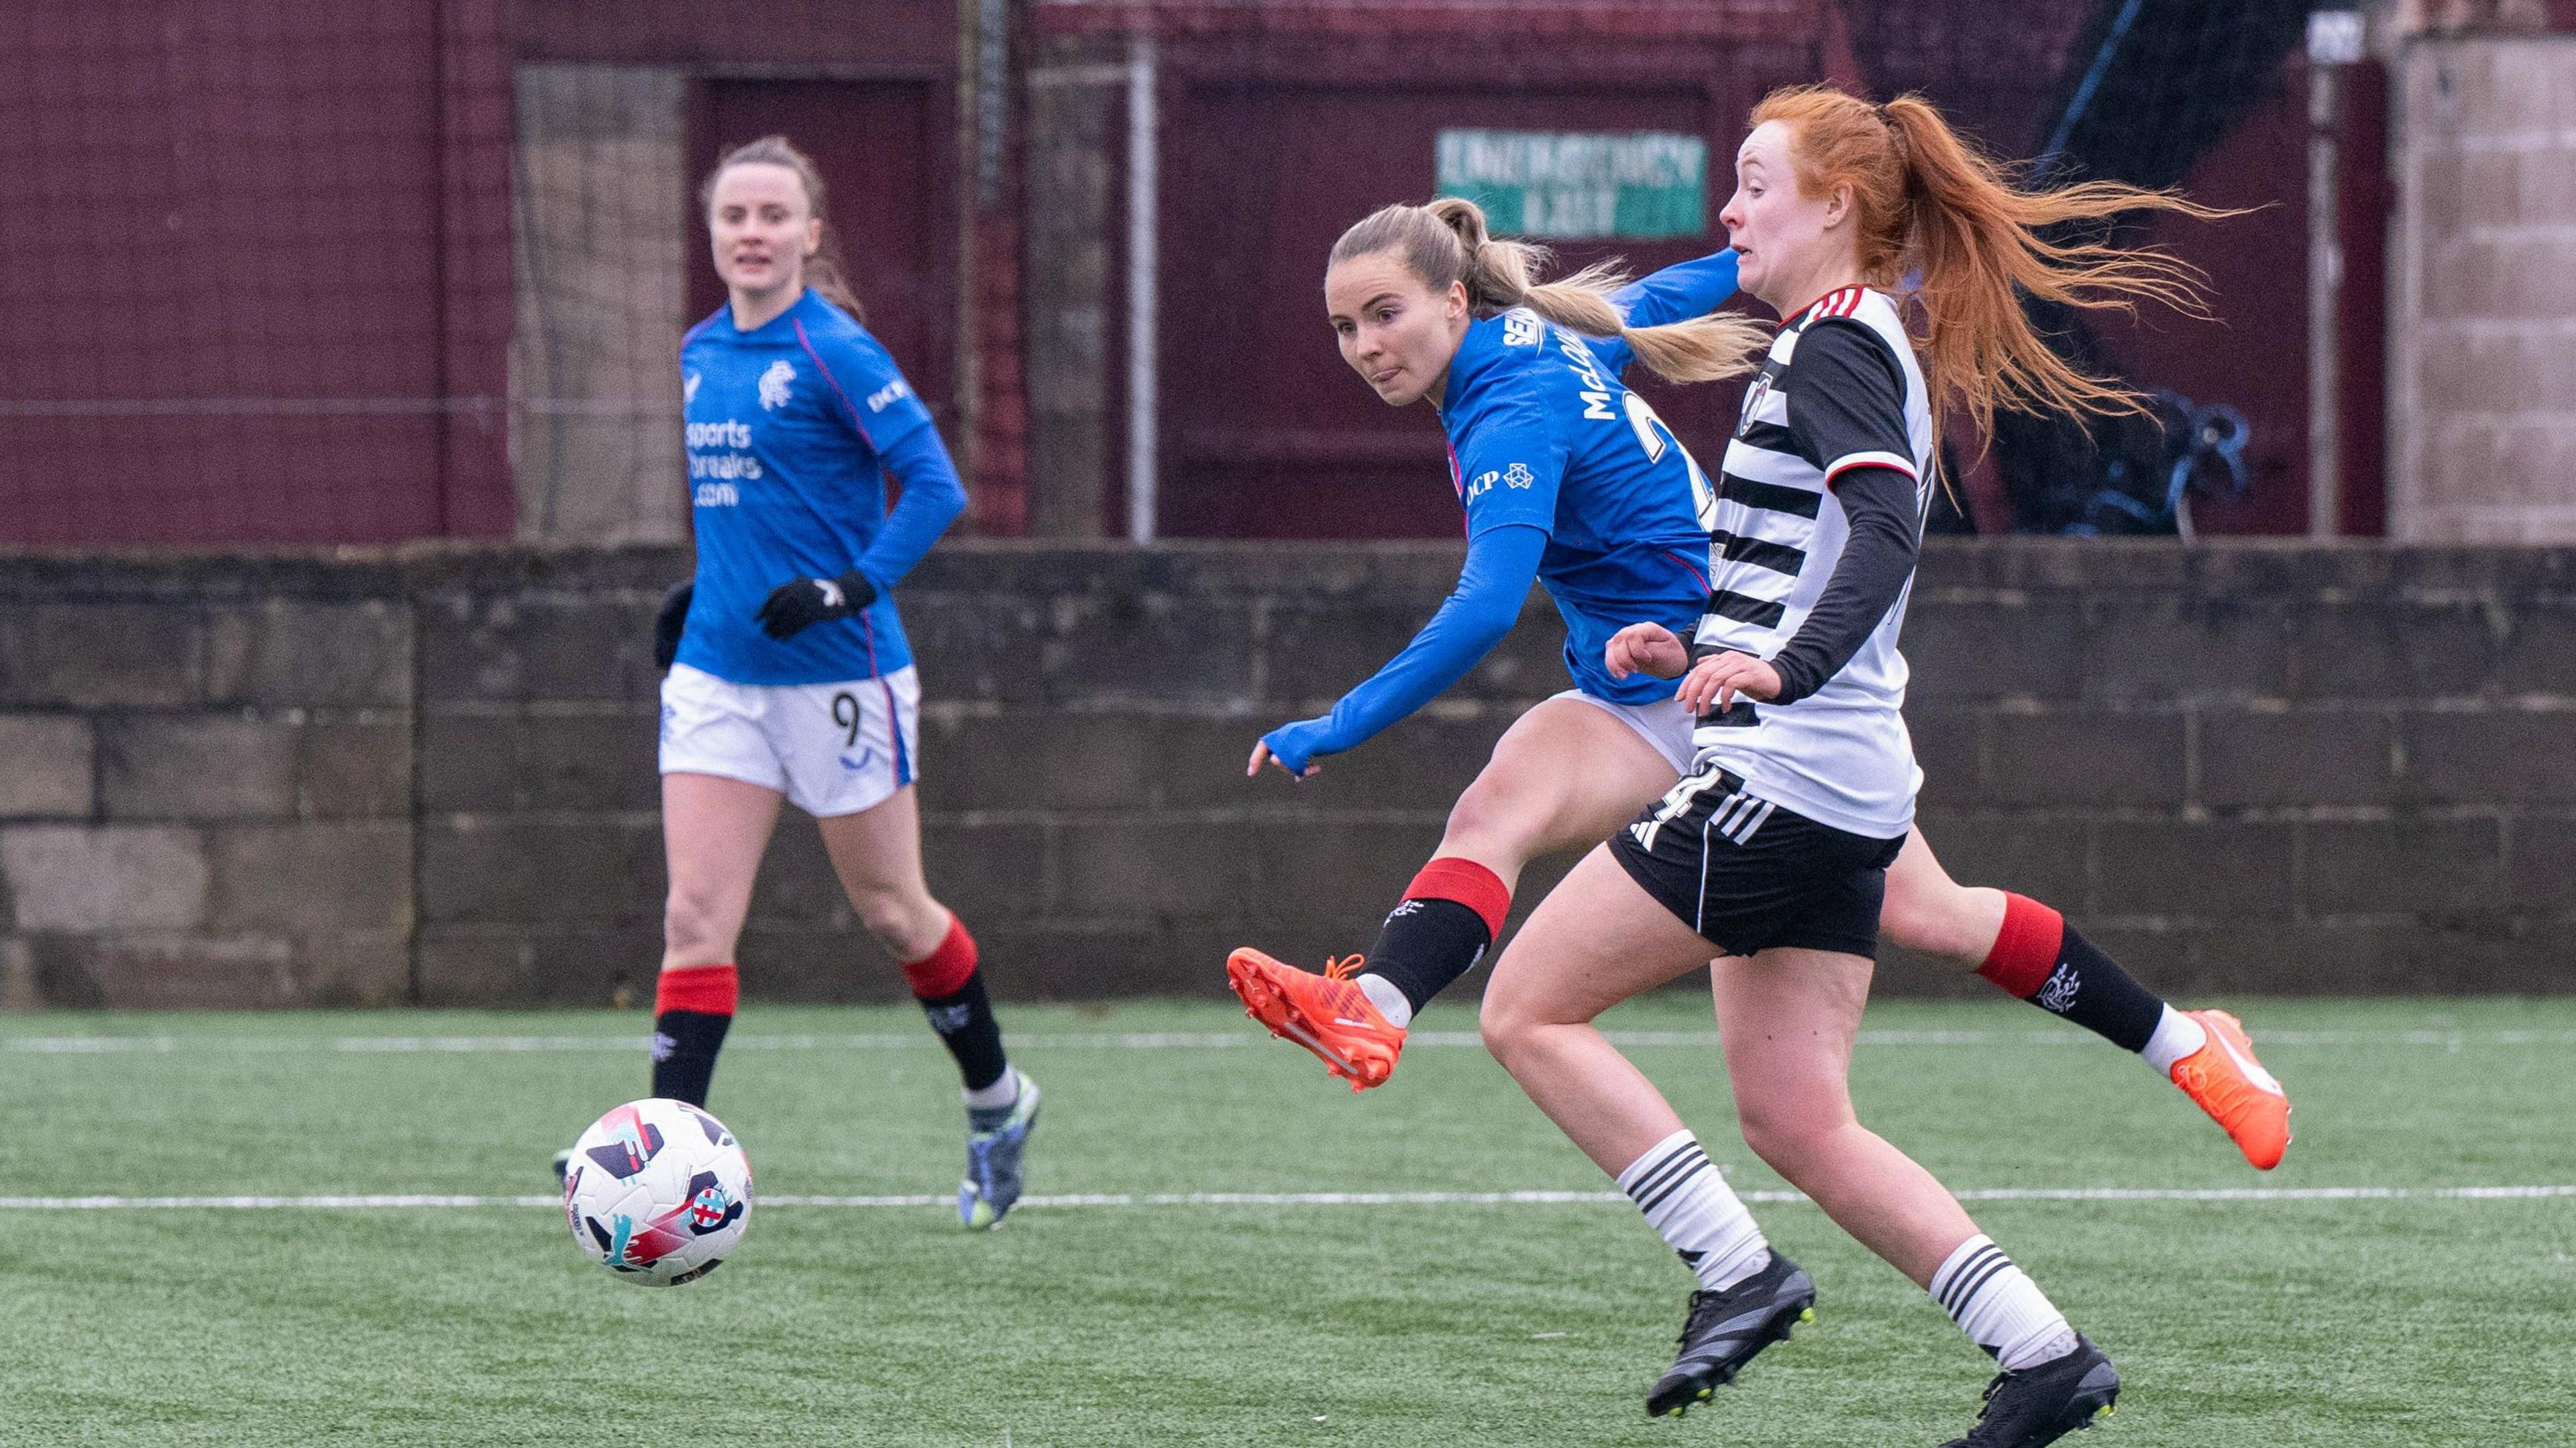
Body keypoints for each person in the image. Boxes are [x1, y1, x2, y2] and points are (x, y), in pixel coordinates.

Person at [1224, 185, 2286, 1178]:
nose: (1366, 347)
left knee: (1935, 920)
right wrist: (1745, 254)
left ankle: (2188, 1044)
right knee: (1498, 804)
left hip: (1747, 689)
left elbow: (1488, 607)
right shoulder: (1551, 333)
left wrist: (1337, 723)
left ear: (1455, 299)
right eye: (1345, 328)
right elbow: (1668, 296)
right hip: (1653, 688)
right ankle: (1377, 1006)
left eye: (1384, 314)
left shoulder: (1510, 407)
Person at [1474, 85, 2246, 1441]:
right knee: (1797, 1121)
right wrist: (1697, 644)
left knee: (1525, 1009)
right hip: (1834, 788)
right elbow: (1814, 561)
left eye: (1755, 184)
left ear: (1835, 205)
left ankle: (1736, 1271)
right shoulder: (1842, 343)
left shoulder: (1837, 344)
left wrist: (1780, 670)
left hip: (1786, 780)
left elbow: (1882, 534)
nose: (1731, 211)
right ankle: (2044, 1357)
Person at [556, 135, 1038, 1231]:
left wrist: (849, 589)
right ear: (713, 232)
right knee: (694, 918)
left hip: (839, 678)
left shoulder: (837, 351)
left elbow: (934, 486)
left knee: (893, 913)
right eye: (735, 216)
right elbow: (751, 502)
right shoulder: (698, 351)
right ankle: (660, 1159)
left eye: (775, 215)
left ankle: (998, 1104)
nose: (754, 233)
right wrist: (708, 587)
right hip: (718, 676)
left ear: (810, 234)